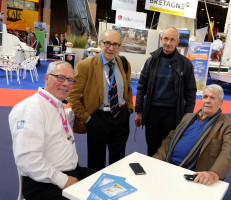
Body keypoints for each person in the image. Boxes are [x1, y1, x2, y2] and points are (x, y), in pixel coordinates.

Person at [9, 61, 95, 200]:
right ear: (47, 78)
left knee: (110, 184)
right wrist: (64, 181)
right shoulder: (30, 109)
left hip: (71, 172)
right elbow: (29, 160)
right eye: (60, 77)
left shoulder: (55, 104)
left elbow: (57, 120)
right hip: (44, 183)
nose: (66, 84)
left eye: (71, 80)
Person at [68, 30, 133, 171]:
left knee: (118, 162)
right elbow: (73, 96)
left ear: (119, 46)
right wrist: (87, 119)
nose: (111, 48)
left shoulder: (124, 63)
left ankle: (116, 189)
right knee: (96, 164)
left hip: (120, 118)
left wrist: (129, 109)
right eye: (107, 43)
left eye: (115, 44)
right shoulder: (85, 65)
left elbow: (127, 88)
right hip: (98, 119)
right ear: (100, 44)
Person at [153, 84, 231, 186]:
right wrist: (156, 161)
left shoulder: (228, 125)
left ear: (221, 102)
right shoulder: (188, 117)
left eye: (212, 98)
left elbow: (230, 152)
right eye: (205, 97)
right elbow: (169, 140)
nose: (207, 101)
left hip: (193, 174)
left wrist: (214, 173)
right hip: (168, 165)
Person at [135, 25, 197, 156]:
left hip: (174, 114)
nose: (168, 43)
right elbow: (141, 87)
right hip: (152, 112)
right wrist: (139, 111)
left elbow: (191, 93)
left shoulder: (185, 64)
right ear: (161, 39)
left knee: (170, 148)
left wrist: (187, 117)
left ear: (177, 42)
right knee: (152, 147)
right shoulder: (151, 61)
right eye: (166, 39)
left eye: (172, 40)